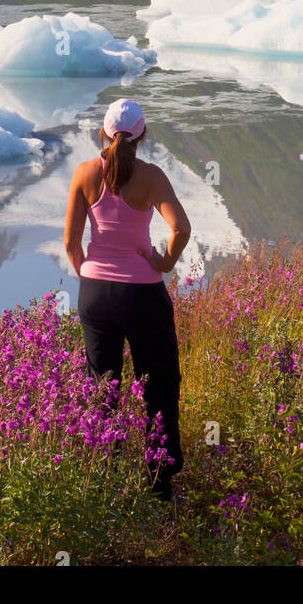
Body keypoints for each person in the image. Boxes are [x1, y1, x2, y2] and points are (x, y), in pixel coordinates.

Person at [64, 98, 191, 502]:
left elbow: (70, 242)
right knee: (159, 385)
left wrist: (89, 273)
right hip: (143, 295)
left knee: (103, 387)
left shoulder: (85, 173)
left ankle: (104, 480)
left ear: (104, 132)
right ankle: (160, 486)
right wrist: (163, 262)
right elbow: (181, 228)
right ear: (142, 136)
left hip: (96, 294)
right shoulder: (151, 176)